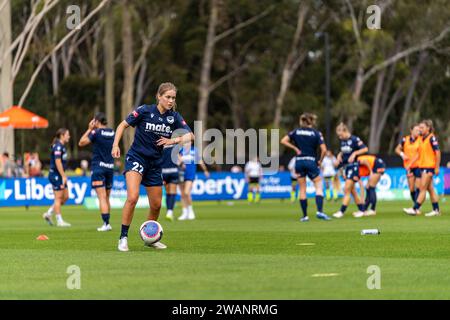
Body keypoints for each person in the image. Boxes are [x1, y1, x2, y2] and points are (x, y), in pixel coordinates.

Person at [112, 82, 194, 252]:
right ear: (159, 96)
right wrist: (115, 145)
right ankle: (123, 237)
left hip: (155, 164)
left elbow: (190, 135)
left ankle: (150, 238)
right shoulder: (144, 111)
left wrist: (173, 140)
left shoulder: (174, 117)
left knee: (156, 205)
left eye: (173, 98)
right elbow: (122, 125)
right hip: (136, 158)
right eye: (167, 97)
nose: (171, 101)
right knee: (133, 197)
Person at [281, 113, 331, 222]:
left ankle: (305, 216)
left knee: (302, 189)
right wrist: (320, 161)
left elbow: (283, 140)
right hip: (311, 161)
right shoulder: (316, 133)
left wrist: (295, 148)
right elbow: (324, 150)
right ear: (312, 121)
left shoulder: (296, 132)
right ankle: (320, 211)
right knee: (318, 185)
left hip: (299, 162)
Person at [79, 112, 115, 232]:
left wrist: (89, 129)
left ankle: (105, 223)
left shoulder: (96, 132)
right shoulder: (112, 132)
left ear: (96, 122)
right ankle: (108, 223)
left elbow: (81, 142)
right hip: (109, 167)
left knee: (102, 197)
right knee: (107, 197)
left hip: (98, 168)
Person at [404, 120, 441, 217]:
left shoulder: (431, 138)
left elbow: (437, 153)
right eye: (419, 127)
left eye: (422, 127)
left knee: (422, 188)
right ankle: (436, 209)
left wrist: (437, 167)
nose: (420, 129)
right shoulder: (420, 138)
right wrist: (410, 163)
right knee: (430, 189)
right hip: (422, 166)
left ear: (428, 128)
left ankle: (415, 208)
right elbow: (418, 154)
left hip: (429, 167)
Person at [332, 123, 368, 219]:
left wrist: (355, 153)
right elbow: (344, 151)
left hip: (354, 167)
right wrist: (339, 155)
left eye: (340, 135)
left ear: (345, 131)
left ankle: (341, 211)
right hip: (346, 167)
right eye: (338, 135)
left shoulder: (354, 139)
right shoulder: (343, 141)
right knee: (352, 191)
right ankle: (362, 210)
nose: (340, 137)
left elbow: (365, 148)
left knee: (346, 189)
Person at [42, 128, 71, 227]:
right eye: (67, 134)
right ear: (62, 135)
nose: (69, 136)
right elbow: (57, 162)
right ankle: (59, 221)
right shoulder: (58, 147)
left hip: (61, 174)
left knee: (66, 197)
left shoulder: (62, 146)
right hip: (56, 175)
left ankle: (49, 213)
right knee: (58, 198)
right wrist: (63, 176)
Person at [178, 142, 209, 220]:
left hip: (190, 174)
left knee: (187, 192)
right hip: (181, 174)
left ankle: (190, 210)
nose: (186, 144)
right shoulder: (180, 151)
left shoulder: (194, 150)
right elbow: (177, 162)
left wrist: (205, 170)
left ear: (191, 143)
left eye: (188, 142)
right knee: (182, 194)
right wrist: (180, 163)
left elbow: (200, 161)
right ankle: (184, 212)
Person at [395, 124, 422, 205]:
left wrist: (411, 163)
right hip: (408, 167)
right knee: (411, 189)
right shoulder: (405, 139)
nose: (418, 132)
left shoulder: (421, 140)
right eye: (416, 130)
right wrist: (402, 155)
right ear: (411, 130)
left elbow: (419, 154)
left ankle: (416, 207)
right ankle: (415, 204)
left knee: (418, 187)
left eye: (419, 130)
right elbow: (397, 149)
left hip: (418, 166)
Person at [162, 144, 180, 221]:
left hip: (164, 172)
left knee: (168, 192)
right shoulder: (175, 147)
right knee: (172, 192)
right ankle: (170, 212)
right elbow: (180, 160)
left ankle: (168, 212)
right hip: (173, 171)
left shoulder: (161, 147)